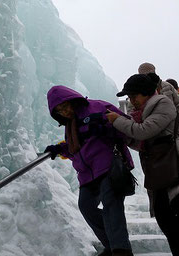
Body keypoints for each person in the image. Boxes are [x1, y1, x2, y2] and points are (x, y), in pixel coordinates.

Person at [44, 85, 134, 256]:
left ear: (71, 100)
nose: (64, 112)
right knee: (86, 207)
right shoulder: (70, 125)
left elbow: (125, 125)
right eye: (59, 111)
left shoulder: (97, 107)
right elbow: (76, 148)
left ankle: (121, 250)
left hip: (108, 166)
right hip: (88, 174)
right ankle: (111, 244)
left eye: (64, 106)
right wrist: (58, 149)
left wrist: (106, 128)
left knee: (111, 206)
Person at [106, 73, 179, 256]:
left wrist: (117, 121)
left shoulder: (163, 103)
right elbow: (142, 142)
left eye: (134, 96)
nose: (131, 101)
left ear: (146, 93)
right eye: (129, 97)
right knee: (165, 219)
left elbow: (143, 131)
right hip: (162, 174)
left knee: (176, 221)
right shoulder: (142, 113)